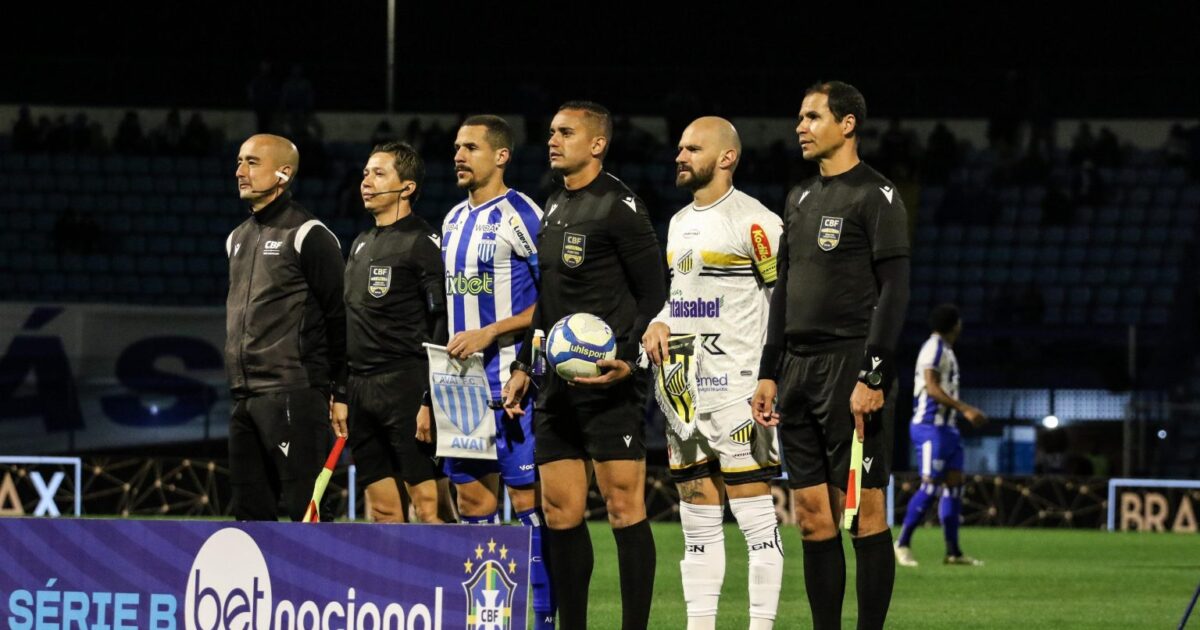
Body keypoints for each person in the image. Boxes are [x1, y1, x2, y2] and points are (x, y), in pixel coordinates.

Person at [751, 81, 911, 630]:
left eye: (813, 116)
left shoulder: (877, 195)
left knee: (865, 516)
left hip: (850, 366)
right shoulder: (797, 198)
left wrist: (875, 373)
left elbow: (895, 290)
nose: (800, 126)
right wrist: (769, 371)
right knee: (814, 520)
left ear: (847, 124)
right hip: (795, 367)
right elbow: (784, 291)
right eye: (800, 117)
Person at [503, 101, 667, 629]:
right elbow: (548, 303)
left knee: (624, 508)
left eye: (566, 132)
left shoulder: (620, 206)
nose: (553, 139)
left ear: (597, 144)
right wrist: (527, 366)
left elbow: (654, 295)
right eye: (551, 131)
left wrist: (630, 359)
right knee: (559, 512)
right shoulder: (553, 205)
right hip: (555, 386)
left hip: (610, 383)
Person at [641, 117, 784, 630]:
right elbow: (681, 301)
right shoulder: (678, 223)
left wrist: (772, 376)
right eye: (679, 147)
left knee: (755, 522)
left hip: (739, 391)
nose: (679, 155)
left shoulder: (756, 222)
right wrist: (658, 323)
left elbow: (781, 301)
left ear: (726, 158)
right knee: (696, 523)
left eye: (692, 148)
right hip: (683, 392)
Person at [225, 134, 345, 521]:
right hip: (245, 397)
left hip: (294, 392)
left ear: (283, 173)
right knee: (250, 517)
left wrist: (339, 390)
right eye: (240, 161)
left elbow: (338, 316)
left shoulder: (309, 234)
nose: (240, 171)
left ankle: (321, 584)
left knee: (307, 514)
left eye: (252, 162)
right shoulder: (236, 239)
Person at [344, 141, 448, 523]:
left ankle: (442, 584)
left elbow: (442, 321)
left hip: (405, 384)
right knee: (385, 511)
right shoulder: (360, 244)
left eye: (379, 173)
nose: (366, 181)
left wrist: (429, 397)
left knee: (428, 505)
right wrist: (341, 391)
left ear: (406, 187)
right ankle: (394, 586)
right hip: (360, 389)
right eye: (365, 173)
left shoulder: (422, 242)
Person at [895, 304, 987, 567]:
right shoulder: (933, 348)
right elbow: (932, 388)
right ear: (954, 324)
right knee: (930, 485)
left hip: (947, 430)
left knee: (955, 486)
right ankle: (901, 543)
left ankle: (953, 551)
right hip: (929, 427)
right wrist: (965, 409)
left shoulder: (946, 350)